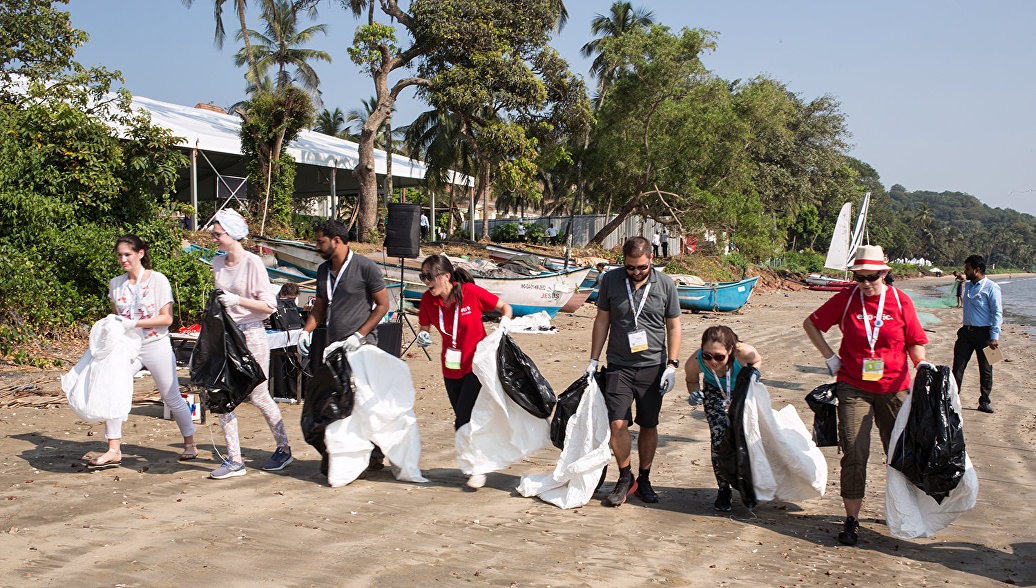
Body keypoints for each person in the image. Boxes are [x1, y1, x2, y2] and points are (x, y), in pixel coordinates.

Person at [803, 244, 928, 545]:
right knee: (854, 453)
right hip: (853, 386)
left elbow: (915, 341)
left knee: (897, 452)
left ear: (884, 273)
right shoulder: (847, 299)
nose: (866, 283)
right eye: (860, 277)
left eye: (872, 276)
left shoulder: (900, 301)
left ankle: (904, 511)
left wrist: (921, 364)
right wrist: (830, 357)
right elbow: (811, 324)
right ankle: (852, 519)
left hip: (895, 388)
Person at [587, 236, 682, 506]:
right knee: (618, 423)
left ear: (651, 258)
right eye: (630, 267)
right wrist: (594, 359)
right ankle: (624, 476)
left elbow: (673, 326)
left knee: (649, 425)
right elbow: (602, 319)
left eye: (641, 267)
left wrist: (672, 365)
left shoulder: (666, 285)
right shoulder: (611, 281)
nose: (636, 272)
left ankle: (645, 478)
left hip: (653, 367)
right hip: (619, 365)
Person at [91, 235, 197, 466]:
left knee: (171, 395)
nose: (123, 259)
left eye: (127, 254)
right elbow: (116, 315)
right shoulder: (115, 284)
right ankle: (113, 448)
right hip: (127, 347)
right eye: (119, 255)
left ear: (140, 254)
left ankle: (190, 443)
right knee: (114, 390)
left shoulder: (157, 280)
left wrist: (134, 323)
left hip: (155, 343)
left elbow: (166, 318)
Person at [298, 219, 390, 473]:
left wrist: (359, 335)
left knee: (362, 404)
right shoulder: (322, 271)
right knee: (335, 404)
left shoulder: (365, 267)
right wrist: (306, 331)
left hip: (360, 347)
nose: (316, 246)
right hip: (333, 349)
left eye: (320, 241)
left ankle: (374, 453)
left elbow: (383, 305)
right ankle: (343, 453)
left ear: (336, 241)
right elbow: (320, 305)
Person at [209, 209, 294, 479]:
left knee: (258, 395)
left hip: (253, 332)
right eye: (213, 234)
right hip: (227, 334)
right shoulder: (217, 263)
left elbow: (269, 306)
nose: (215, 239)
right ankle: (234, 458)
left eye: (218, 234)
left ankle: (284, 448)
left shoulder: (253, 263)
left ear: (233, 234)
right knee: (224, 395)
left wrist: (238, 301)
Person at [415, 254, 513, 489]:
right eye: (423, 277)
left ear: (445, 276)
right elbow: (424, 325)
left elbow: (504, 308)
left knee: (464, 416)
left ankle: (477, 466)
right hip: (450, 366)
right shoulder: (428, 300)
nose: (425, 282)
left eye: (429, 277)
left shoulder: (470, 293)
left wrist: (504, 328)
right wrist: (423, 334)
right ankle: (475, 461)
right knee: (462, 418)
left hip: (476, 365)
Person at [684, 326, 761, 511]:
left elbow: (757, 361)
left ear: (731, 350)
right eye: (707, 356)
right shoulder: (696, 360)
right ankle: (723, 488)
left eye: (719, 357)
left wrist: (754, 374)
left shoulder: (744, 352)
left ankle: (748, 484)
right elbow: (691, 379)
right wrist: (694, 393)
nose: (713, 362)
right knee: (719, 438)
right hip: (714, 390)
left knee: (745, 437)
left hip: (741, 389)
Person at [952, 254, 1002, 413]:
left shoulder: (992, 287)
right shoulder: (969, 285)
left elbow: (997, 313)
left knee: (987, 368)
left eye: (967, 269)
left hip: (986, 335)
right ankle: (952, 399)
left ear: (977, 269)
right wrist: (960, 277)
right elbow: (962, 280)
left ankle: (985, 401)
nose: (965, 271)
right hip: (966, 333)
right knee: (957, 367)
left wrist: (995, 336)